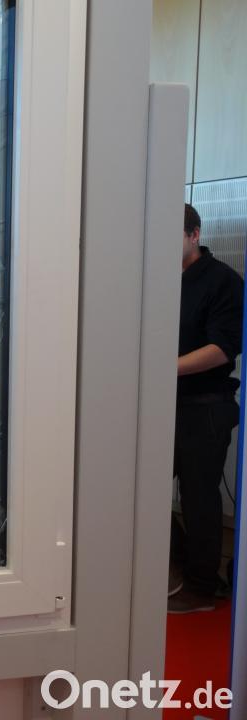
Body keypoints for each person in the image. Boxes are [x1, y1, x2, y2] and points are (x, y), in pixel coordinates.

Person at [169, 203, 243, 614]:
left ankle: (202, 587)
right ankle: (180, 562)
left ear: (193, 234)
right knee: (135, 488)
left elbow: (222, 349)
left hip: (205, 407)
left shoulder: (223, 281)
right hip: (162, 404)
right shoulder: (159, 280)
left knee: (199, 499)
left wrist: (160, 368)